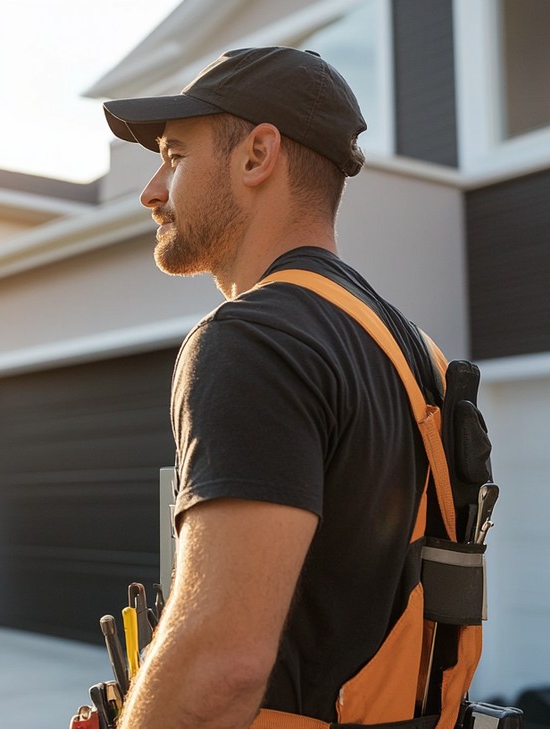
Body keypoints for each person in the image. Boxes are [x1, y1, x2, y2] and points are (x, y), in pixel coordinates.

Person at [102, 47, 447, 728]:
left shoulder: (252, 340)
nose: (151, 191)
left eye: (174, 156)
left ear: (257, 156)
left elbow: (219, 669)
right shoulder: (415, 354)